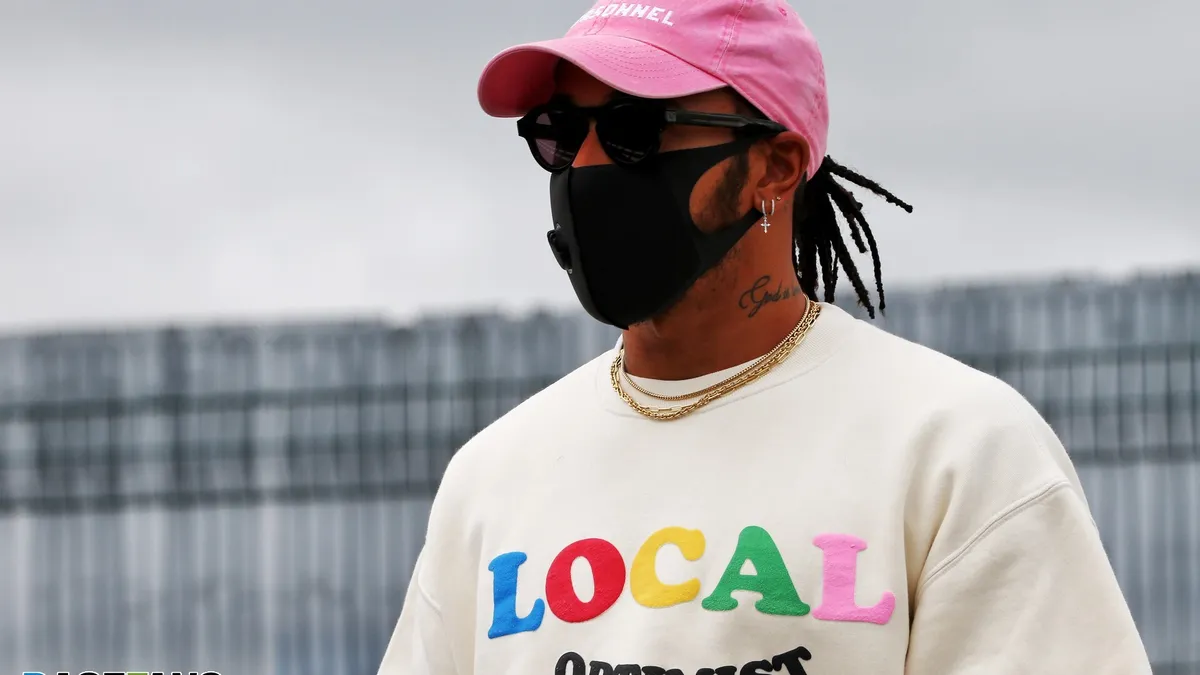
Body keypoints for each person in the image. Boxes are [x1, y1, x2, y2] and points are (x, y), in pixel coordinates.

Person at [379, 0, 1153, 673]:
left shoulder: (959, 450)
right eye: (558, 132)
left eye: (631, 130)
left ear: (776, 167)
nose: (583, 167)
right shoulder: (492, 477)